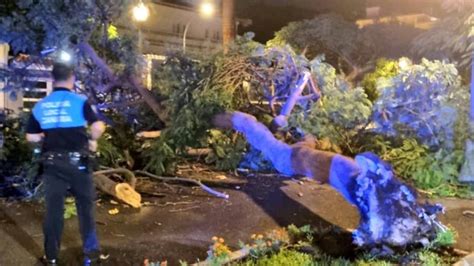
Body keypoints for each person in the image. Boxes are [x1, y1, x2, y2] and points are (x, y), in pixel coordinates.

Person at [26, 62, 106, 265]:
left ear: (53, 80)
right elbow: (97, 125)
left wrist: (46, 137)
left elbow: (31, 137)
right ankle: (92, 254)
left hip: (53, 165)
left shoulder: (41, 105)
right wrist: (93, 139)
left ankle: (51, 257)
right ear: (72, 79)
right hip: (79, 164)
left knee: (53, 212)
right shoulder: (79, 101)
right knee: (85, 210)